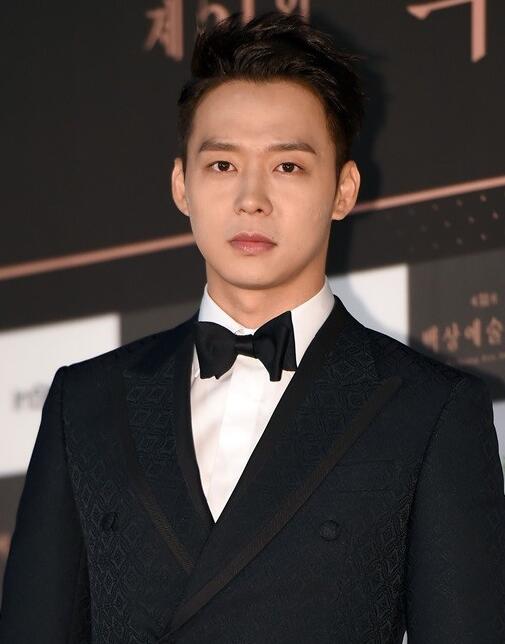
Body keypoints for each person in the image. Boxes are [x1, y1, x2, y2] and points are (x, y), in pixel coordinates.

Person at [1, 10, 504, 644]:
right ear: (181, 185)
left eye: (288, 166)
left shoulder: (429, 411)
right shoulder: (86, 403)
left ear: (344, 189)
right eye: (222, 165)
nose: (251, 199)